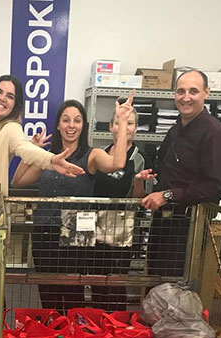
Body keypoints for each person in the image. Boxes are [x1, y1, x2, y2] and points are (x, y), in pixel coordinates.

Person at [0, 11, 84, 229]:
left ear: (14, 106)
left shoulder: (10, 129)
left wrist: (51, 161)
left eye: (10, 96)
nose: (2, 99)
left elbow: (25, 149)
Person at [11, 95, 135, 312]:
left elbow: (118, 163)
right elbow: (18, 181)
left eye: (77, 120)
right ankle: (53, 337)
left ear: (83, 126)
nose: (71, 125)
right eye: (66, 120)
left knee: (72, 294)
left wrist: (123, 123)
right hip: (45, 231)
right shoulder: (49, 157)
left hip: (76, 233)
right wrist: (31, 152)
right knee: (47, 292)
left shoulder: (91, 156)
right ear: (58, 125)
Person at [141, 69, 221, 276]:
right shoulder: (176, 130)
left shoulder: (215, 134)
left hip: (189, 226)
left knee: (176, 292)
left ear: (206, 93)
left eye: (193, 91)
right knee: (155, 282)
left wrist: (167, 195)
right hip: (164, 222)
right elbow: (163, 167)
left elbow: (214, 187)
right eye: (180, 91)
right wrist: (147, 175)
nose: (186, 98)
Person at [90, 100, 153, 310]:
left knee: (116, 281)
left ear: (135, 128)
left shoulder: (139, 158)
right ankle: (97, 323)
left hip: (121, 228)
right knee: (96, 278)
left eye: (130, 123)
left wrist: (137, 181)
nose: (124, 127)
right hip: (95, 225)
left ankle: (116, 325)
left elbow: (142, 198)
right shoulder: (99, 153)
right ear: (110, 127)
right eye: (118, 122)